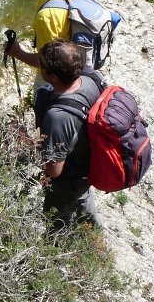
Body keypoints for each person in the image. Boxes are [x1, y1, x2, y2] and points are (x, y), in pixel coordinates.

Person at [32, 39, 104, 232]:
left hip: (70, 181)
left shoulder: (58, 117)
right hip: (87, 166)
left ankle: (56, 250)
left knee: (56, 224)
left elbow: (53, 170)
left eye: (42, 64)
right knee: (86, 210)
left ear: (53, 77)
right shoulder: (91, 79)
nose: (39, 65)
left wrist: (27, 142)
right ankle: (94, 238)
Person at [6, 0, 86, 86]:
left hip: (60, 76)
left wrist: (17, 52)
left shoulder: (46, 16)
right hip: (84, 60)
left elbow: (46, 63)